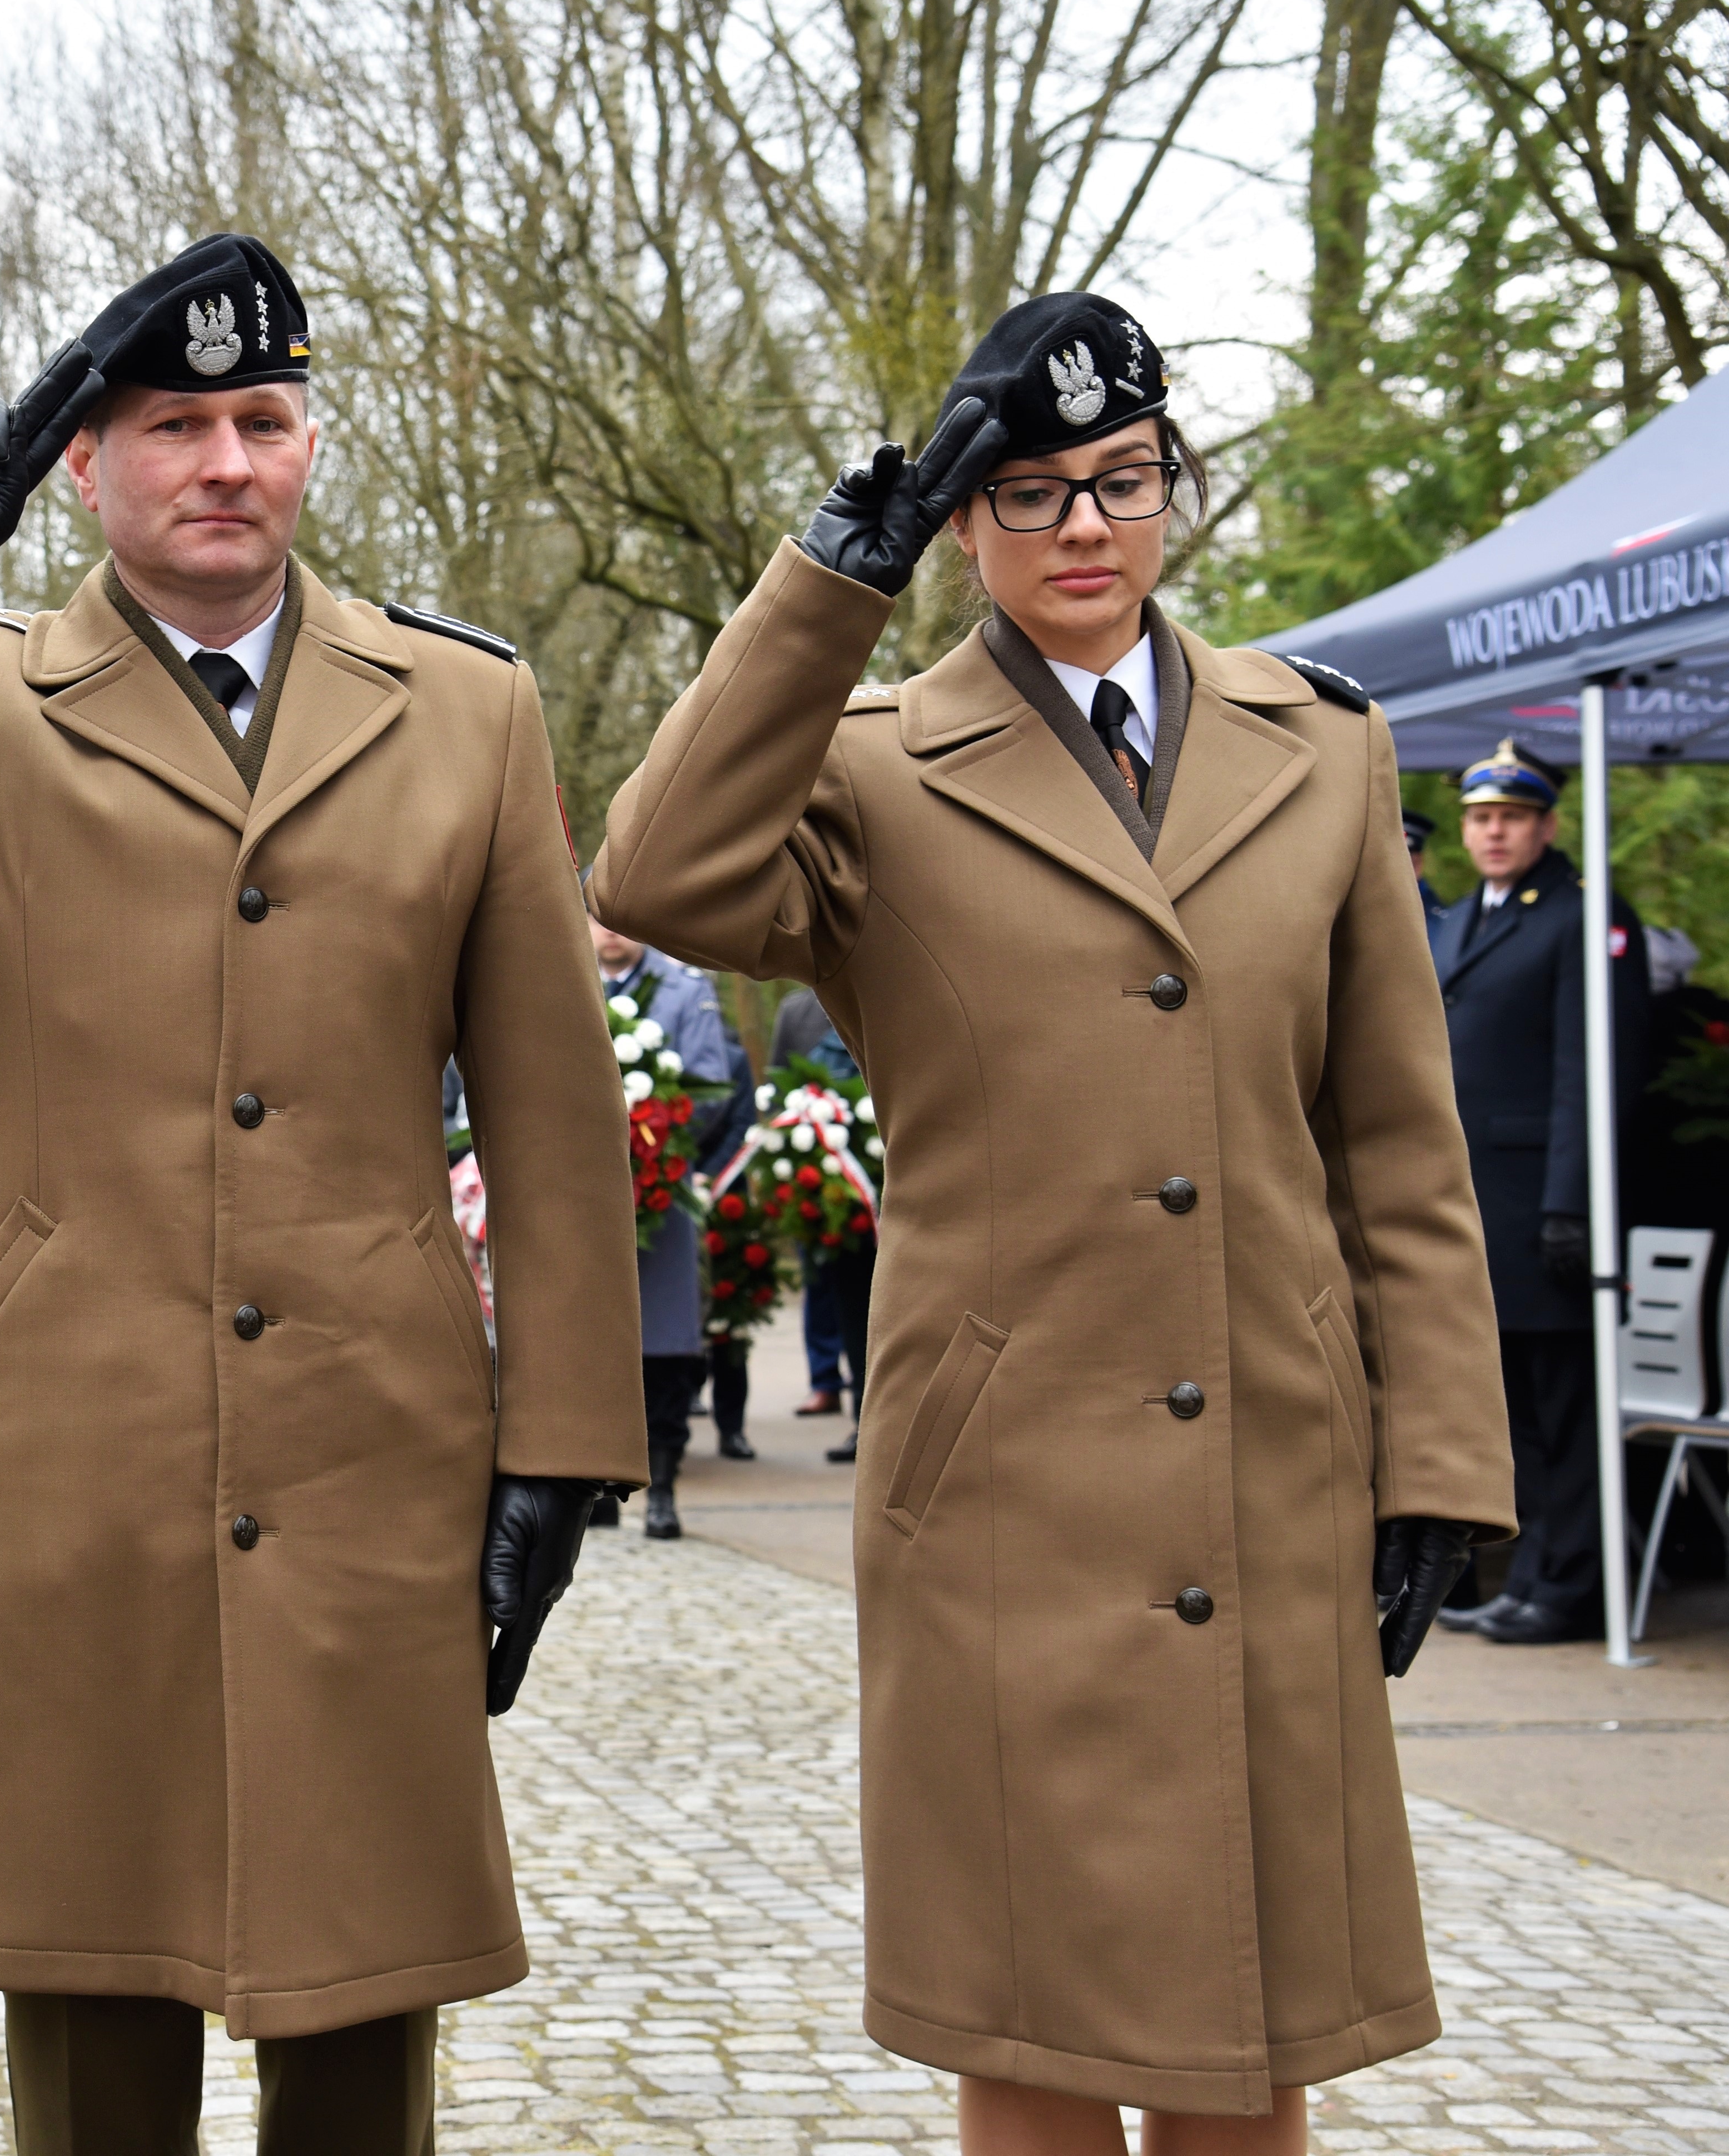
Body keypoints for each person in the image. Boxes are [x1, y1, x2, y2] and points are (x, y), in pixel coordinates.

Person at [0, 232, 640, 2153]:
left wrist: (562, 1448)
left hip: (372, 1446)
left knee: (364, 2001)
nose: (223, 461)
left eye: (261, 418)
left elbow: (549, 1112)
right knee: (89, 2014)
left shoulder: (460, 711)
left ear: (312, 443)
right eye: (171, 424)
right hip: (59, 1448)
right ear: (80, 464)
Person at [592, 291, 1514, 2151]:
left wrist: (1439, 1458)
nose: (1084, 524)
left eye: (1122, 477)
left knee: (1253, 2027)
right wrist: (822, 589)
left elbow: (1395, 1146)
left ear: (1175, 486)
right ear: (961, 523)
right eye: (1026, 491)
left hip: (1268, 1464)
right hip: (997, 1487)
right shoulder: (864, 763)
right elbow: (658, 870)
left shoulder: (1319, 747)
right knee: (1022, 2028)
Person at [1430, 743, 1649, 1646]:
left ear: (1548, 826)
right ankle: (1527, 1579)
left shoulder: (1583, 915)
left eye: (1513, 818)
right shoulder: (1455, 922)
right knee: (1513, 1412)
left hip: (1544, 1209)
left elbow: (1592, 1075)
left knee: (1566, 1412)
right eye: (1481, 818)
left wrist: (1573, 1204)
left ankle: (1572, 1586)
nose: (1495, 832)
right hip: (1473, 1207)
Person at [598, 918, 751, 1536]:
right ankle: (593, 1487)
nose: (608, 933)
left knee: (663, 1340)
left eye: (619, 920)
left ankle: (661, 1486)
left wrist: (652, 1126)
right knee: (588, 1344)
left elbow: (711, 1084)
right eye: (595, 918)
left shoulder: (685, 988)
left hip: (661, 1185)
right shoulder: (561, 979)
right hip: (579, 1192)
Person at [771, 987, 857, 1419]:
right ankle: (825, 1381)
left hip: (867, 1165)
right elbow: (778, 1081)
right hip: (812, 1170)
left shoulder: (881, 993)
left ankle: (867, 1389)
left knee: (866, 1287)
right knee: (818, 1278)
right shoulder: (796, 1010)